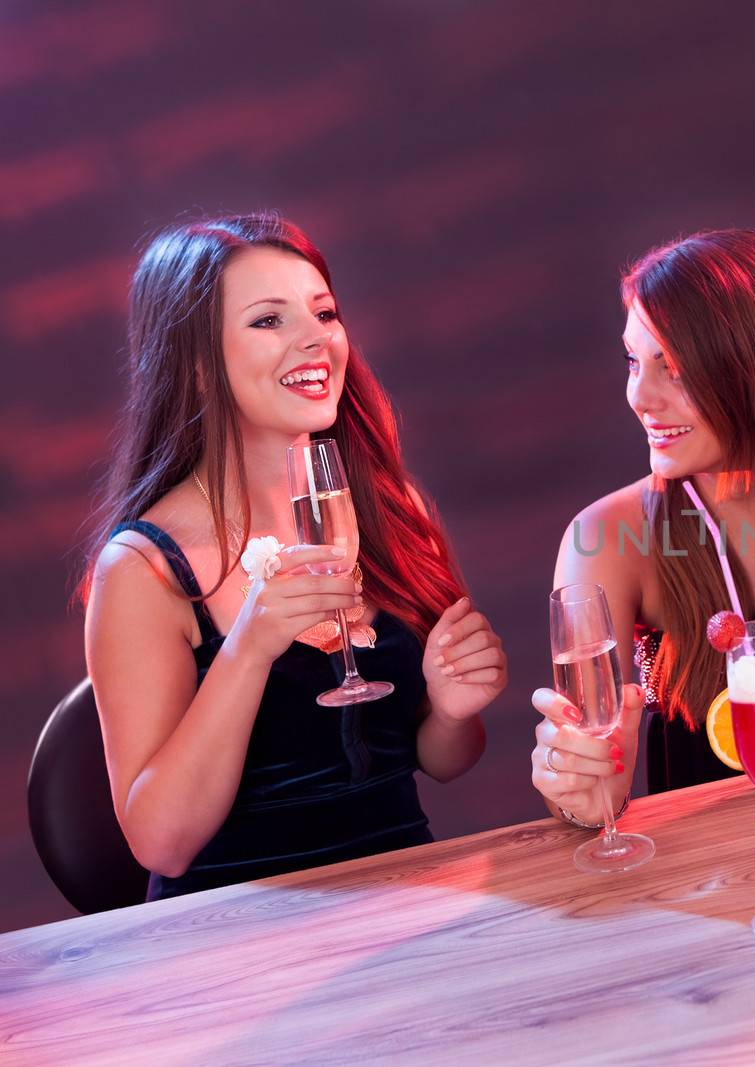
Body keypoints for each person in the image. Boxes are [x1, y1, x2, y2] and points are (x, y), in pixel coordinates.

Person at [82, 214, 505, 900]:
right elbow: (162, 841)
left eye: (325, 313)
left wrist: (454, 713)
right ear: (193, 363)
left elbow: (442, 760)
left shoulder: (395, 509)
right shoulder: (143, 568)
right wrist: (248, 646)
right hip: (232, 935)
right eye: (269, 321)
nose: (317, 339)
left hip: (407, 900)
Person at [529, 230, 755, 826]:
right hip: (708, 881)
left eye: (673, 369)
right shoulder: (604, 535)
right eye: (633, 361)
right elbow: (588, 781)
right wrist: (575, 785)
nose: (640, 397)